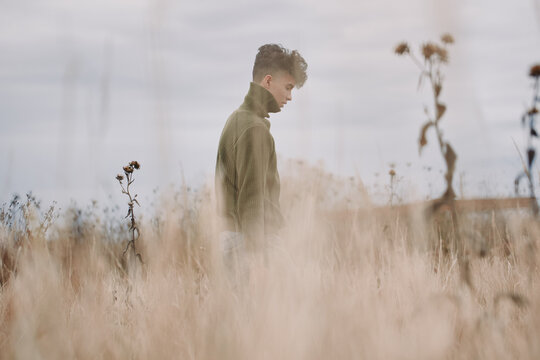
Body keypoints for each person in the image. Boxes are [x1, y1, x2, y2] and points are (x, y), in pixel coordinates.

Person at [215, 44, 308, 272]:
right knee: (287, 302)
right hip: (253, 243)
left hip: (232, 240)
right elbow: (252, 198)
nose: (289, 97)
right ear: (267, 81)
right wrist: (258, 258)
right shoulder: (254, 129)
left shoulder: (236, 119)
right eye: (287, 87)